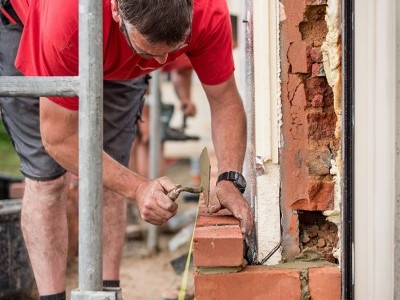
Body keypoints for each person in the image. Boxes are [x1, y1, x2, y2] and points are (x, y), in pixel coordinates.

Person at [0, 0, 253, 299]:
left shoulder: (208, 10)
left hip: (121, 46)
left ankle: (108, 293)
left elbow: (224, 100)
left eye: (174, 50)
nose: (160, 64)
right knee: (47, 177)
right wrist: (138, 188)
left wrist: (229, 177)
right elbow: (59, 138)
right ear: (118, 9)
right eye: (150, 53)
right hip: (35, 26)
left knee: (112, 168)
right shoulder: (65, 20)